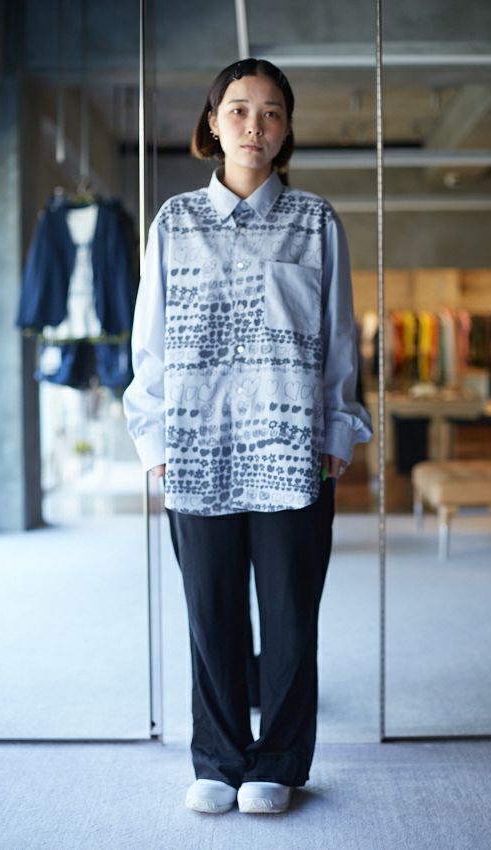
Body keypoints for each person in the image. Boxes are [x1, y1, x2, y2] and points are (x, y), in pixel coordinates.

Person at [123, 57, 373, 815]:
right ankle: (219, 758)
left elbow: (338, 337)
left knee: (291, 617)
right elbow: (148, 344)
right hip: (195, 449)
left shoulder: (316, 222)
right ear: (212, 122)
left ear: (286, 129)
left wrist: (337, 430)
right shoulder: (173, 222)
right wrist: (155, 442)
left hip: (294, 452)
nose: (253, 126)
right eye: (238, 109)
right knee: (212, 613)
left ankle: (279, 763)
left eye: (270, 113)